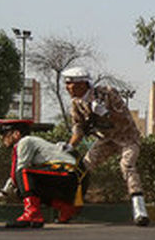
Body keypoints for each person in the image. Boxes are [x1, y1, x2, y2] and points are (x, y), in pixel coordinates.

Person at [62, 66, 149, 226]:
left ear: (82, 84)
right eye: (67, 84)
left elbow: (125, 118)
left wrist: (106, 113)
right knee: (83, 168)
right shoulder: (76, 103)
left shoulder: (107, 93)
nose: (67, 88)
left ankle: (140, 210)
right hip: (106, 140)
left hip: (126, 137)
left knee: (127, 166)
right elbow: (78, 128)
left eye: (70, 84)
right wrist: (70, 146)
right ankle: (73, 207)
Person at [0, 119, 84, 228]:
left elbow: (19, 171)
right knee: (27, 183)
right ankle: (65, 208)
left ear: (16, 134)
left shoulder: (25, 141)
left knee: (23, 174)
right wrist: (1, 194)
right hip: (73, 178)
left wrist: (3, 194)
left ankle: (32, 214)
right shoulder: (35, 142)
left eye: (5, 134)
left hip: (66, 174)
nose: (2, 139)